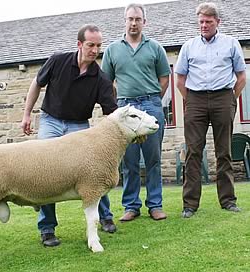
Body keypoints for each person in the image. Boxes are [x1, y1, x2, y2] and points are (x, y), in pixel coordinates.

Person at [21, 24, 118, 247]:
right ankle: (47, 229)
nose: (94, 50)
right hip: (51, 121)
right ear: (79, 44)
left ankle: (105, 217)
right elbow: (36, 84)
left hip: (78, 126)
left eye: (98, 46)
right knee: (45, 170)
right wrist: (26, 114)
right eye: (90, 45)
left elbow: (112, 115)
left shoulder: (101, 79)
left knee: (96, 170)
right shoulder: (57, 61)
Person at [175, 2, 246, 218]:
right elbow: (179, 79)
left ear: (218, 22)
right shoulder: (188, 46)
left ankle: (228, 201)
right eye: (201, 21)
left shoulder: (231, 43)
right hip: (195, 99)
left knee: (223, 151)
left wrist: (231, 100)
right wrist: (192, 101)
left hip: (223, 97)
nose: (204, 25)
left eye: (209, 21)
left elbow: (241, 77)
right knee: (193, 152)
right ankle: (190, 205)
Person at [101, 3, 170, 222]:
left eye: (138, 19)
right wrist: (118, 106)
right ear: (125, 21)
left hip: (151, 105)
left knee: (153, 159)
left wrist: (153, 101)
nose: (133, 23)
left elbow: (164, 78)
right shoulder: (113, 50)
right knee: (128, 161)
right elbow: (106, 82)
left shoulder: (155, 47)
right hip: (125, 108)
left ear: (144, 22)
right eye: (130, 19)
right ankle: (131, 206)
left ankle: (155, 205)